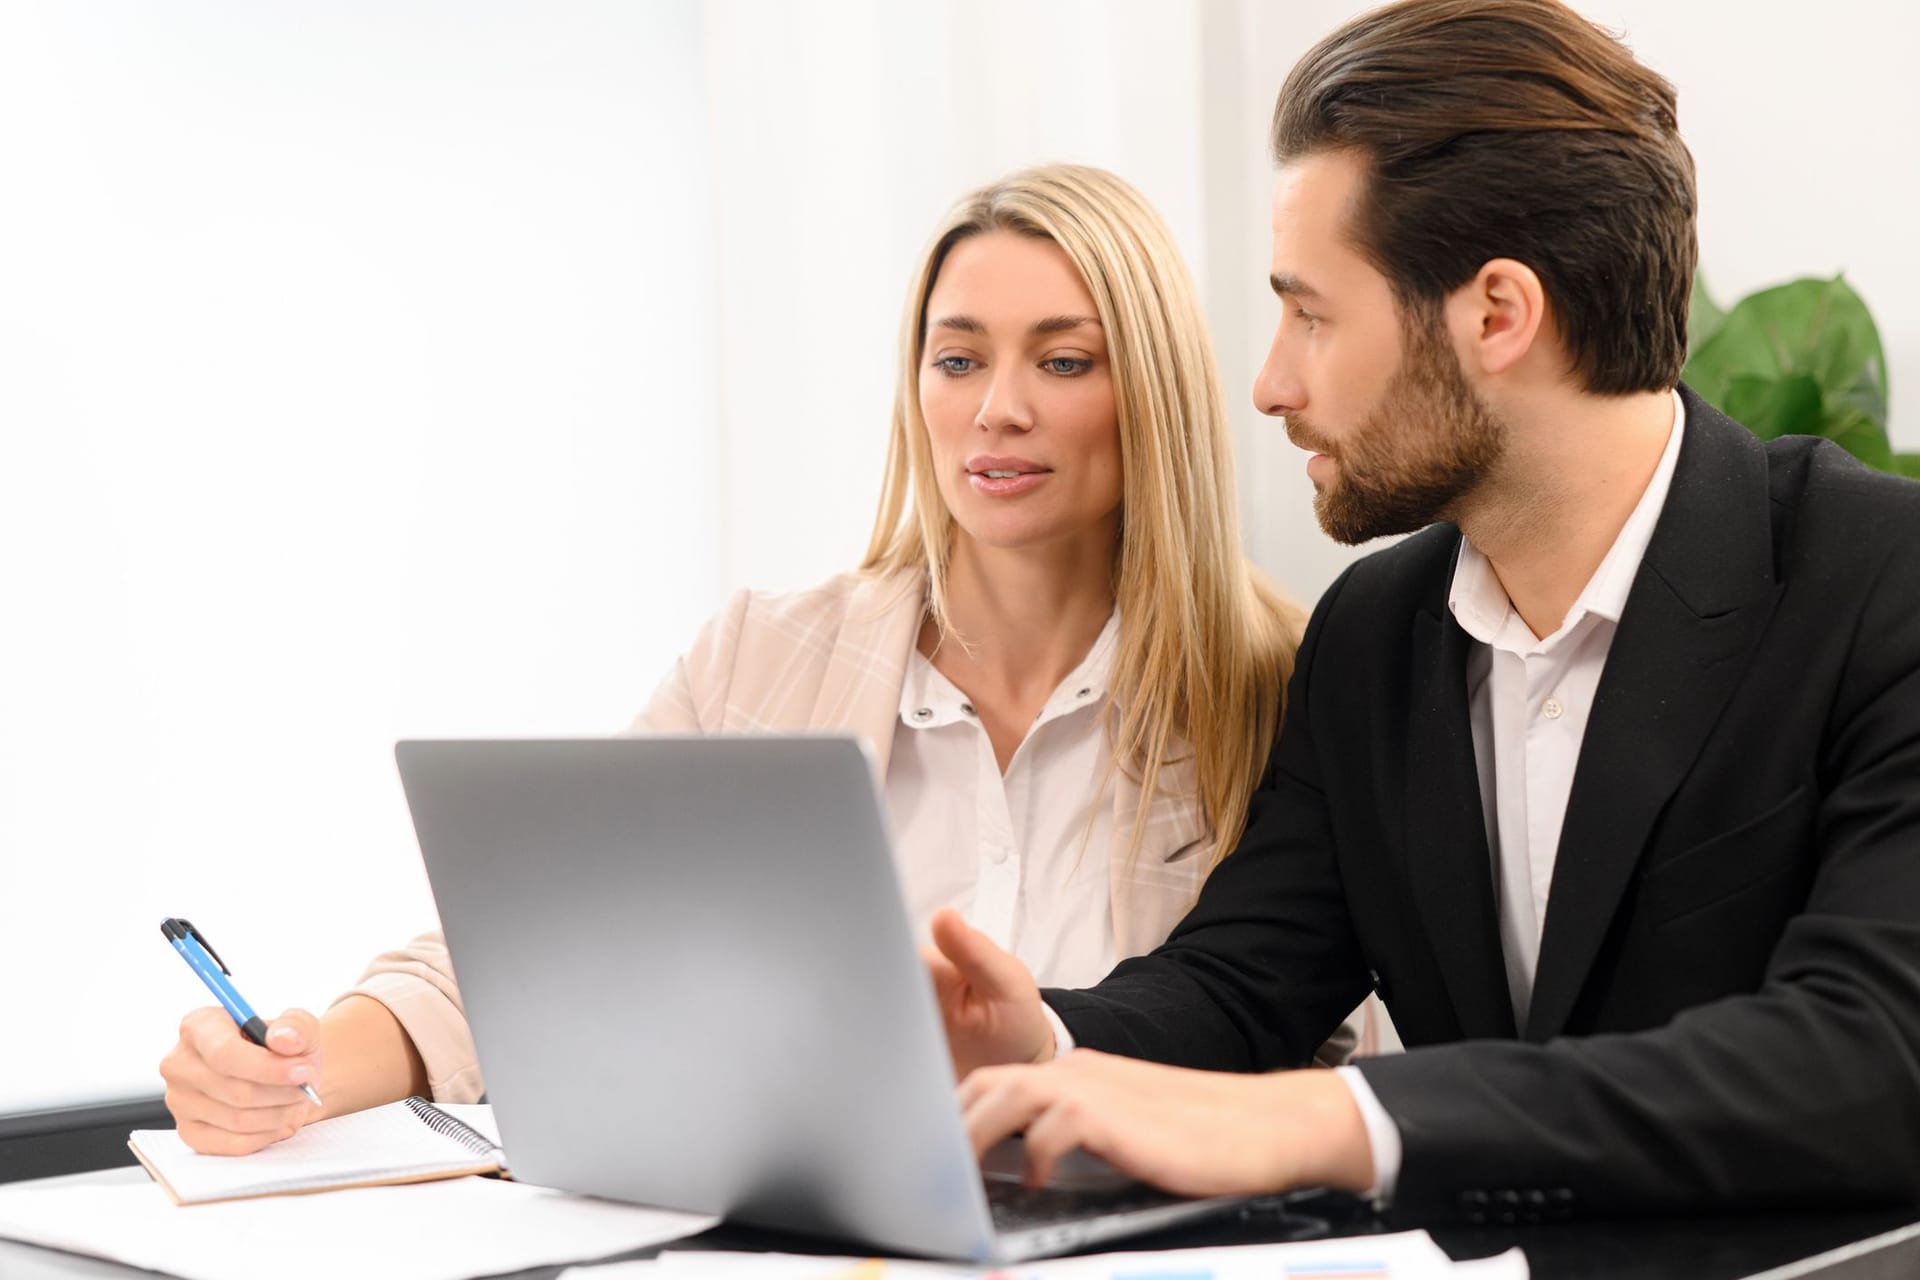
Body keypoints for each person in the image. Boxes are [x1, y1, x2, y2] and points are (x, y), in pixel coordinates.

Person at [930, 0, 1920, 1223]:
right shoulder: (1375, 633)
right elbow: (1246, 983)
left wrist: (1344, 1117)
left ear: (1497, 315)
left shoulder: (1880, 581)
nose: (1271, 383)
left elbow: (1871, 1055)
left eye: (1312, 313)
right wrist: (1043, 1034)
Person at [157, 164, 1358, 1156]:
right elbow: (536, 946)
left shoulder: (1288, 679)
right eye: (957, 358)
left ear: (1148, 391)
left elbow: (1307, 1035)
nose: (997, 408)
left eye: (1062, 359)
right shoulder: (763, 658)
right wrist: (297, 1070)